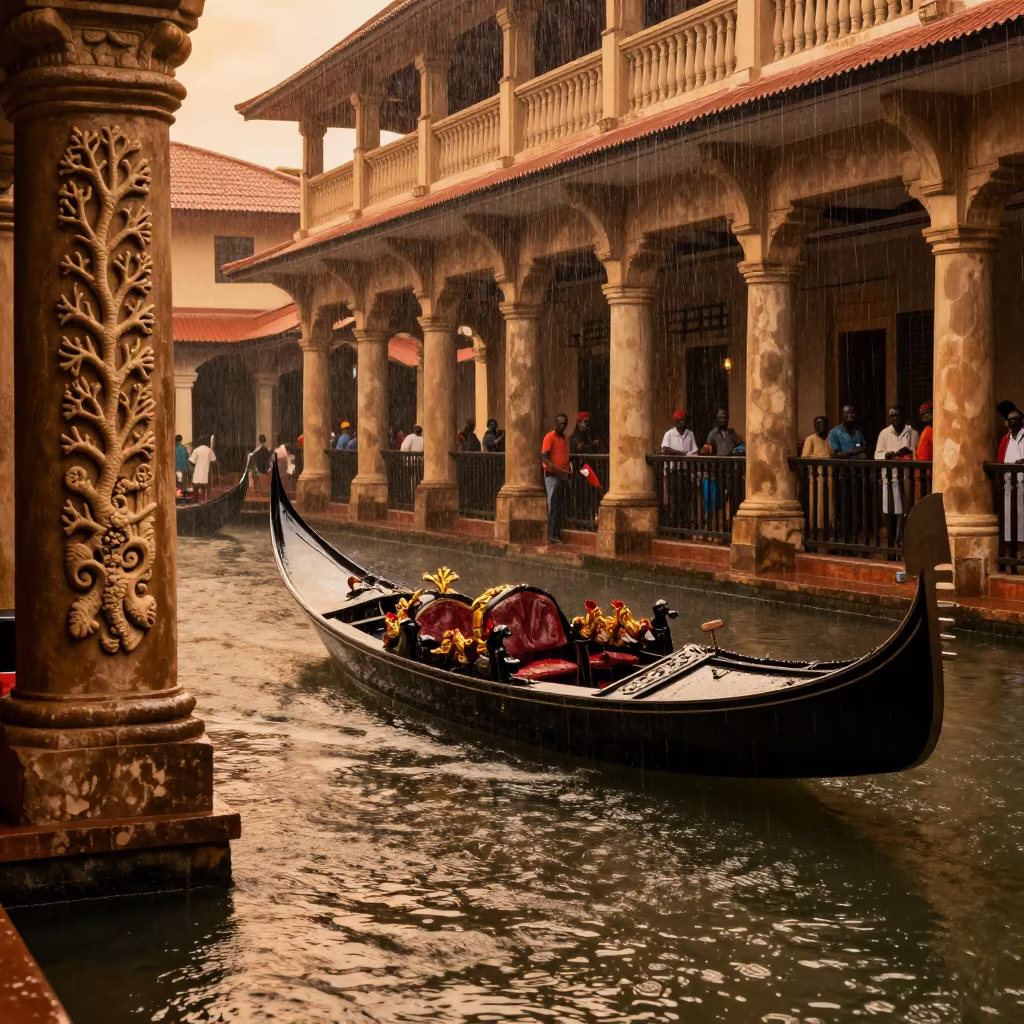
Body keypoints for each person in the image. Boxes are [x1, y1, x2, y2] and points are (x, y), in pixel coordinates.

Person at [875, 404, 919, 544]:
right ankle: (890, 537)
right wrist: (887, 455)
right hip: (889, 476)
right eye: (891, 416)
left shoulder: (912, 433)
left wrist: (905, 454)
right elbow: (877, 454)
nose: (894, 419)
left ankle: (902, 538)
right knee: (889, 508)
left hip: (906, 476)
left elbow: (916, 454)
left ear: (903, 417)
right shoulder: (884, 433)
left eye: (897, 416)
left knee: (904, 508)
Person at [541, 413, 571, 545]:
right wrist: (553, 467)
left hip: (562, 476)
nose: (562, 425)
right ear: (555, 424)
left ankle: (556, 533)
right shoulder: (550, 437)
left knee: (559, 506)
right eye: (560, 423)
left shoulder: (564, 438)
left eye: (565, 423)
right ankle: (551, 535)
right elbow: (544, 456)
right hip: (552, 476)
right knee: (553, 506)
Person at [801, 417, 833, 531]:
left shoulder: (829, 439)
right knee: (817, 499)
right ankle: (817, 525)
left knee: (830, 499)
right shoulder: (811, 439)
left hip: (829, 474)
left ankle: (829, 524)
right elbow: (805, 457)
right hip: (816, 474)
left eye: (823, 424)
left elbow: (833, 453)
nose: (821, 426)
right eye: (818, 424)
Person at [1003, 408, 1024, 548]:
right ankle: (1010, 546)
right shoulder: (1008, 438)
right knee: (1009, 515)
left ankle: (1022, 548)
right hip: (1008, 482)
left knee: (1022, 514)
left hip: (1022, 482)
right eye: (1010, 420)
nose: (1012, 423)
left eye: (1015, 419)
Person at [188, 437, 216, 503]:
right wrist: (211, 467)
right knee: (206, 483)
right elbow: (214, 460)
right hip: (206, 470)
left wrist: (191, 470)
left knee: (196, 484)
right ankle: (207, 498)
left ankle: (196, 499)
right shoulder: (209, 450)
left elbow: (191, 461)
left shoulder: (196, 450)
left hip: (198, 470)